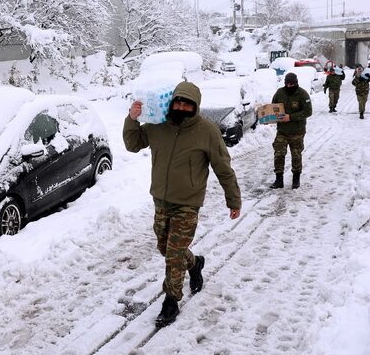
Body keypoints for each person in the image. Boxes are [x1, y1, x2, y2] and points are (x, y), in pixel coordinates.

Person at [123, 81, 242, 328]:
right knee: (165, 247)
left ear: (195, 106)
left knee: (174, 254)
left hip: (188, 204)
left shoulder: (207, 131)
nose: (181, 106)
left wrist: (233, 199)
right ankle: (195, 262)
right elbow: (133, 145)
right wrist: (132, 119)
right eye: (177, 101)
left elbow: (223, 167)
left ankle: (171, 299)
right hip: (161, 199)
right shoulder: (158, 125)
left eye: (187, 104)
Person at [270, 72, 313, 190]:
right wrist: (269, 115)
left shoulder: (302, 94)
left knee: (296, 155)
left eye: (292, 84)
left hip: (297, 131)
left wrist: (291, 117)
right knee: (278, 153)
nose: (289, 86)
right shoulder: (280, 93)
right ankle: (279, 180)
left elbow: (308, 111)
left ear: (296, 83)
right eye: (287, 84)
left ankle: (296, 179)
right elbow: (273, 107)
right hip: (282, 131)